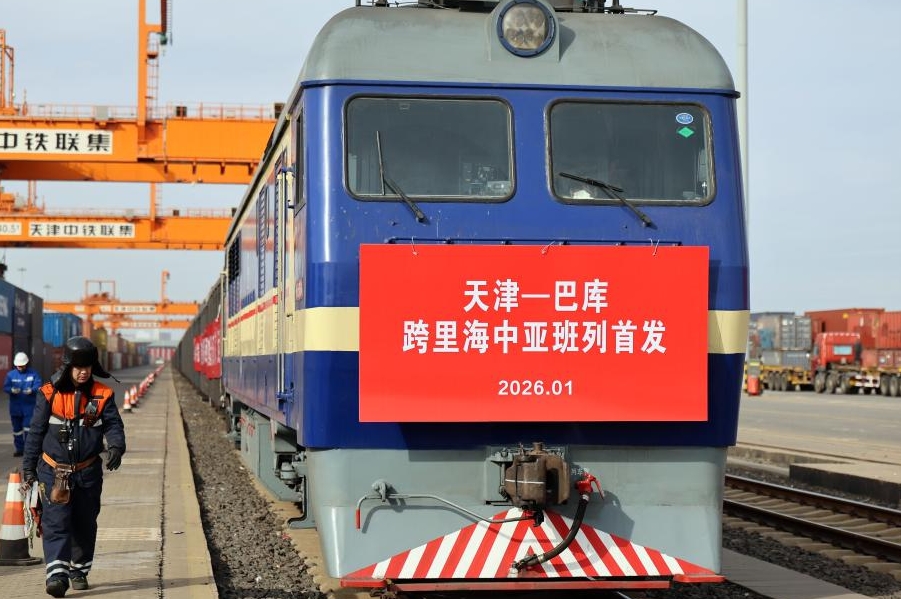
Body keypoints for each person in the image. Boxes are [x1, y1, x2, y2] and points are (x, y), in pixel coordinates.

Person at [21, 336, 126, 598]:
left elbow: (113, 425)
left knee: (84, 524)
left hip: (88, 473)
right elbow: (35, 432)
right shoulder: (48, 393)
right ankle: (57, 576)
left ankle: (79, 571)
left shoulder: (103, 394)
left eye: (87, 367)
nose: (83, 372)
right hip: (53, 472)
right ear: (68, 366)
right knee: (56, 523)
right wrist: (29, 468)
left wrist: (116, 446)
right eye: (78, 367)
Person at [4, 351, 43, 457]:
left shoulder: (33, 374)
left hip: (29, 407)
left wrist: (32, 390)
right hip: (15, 408)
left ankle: (28, 449)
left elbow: (38, 385)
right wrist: (11, 390)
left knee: (28, 428)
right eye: (18, 366)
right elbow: (6, 387)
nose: (20, 367)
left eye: (22, 366)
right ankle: (19, 449)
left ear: (26, 364)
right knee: (17, 430)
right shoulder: (11, 375)